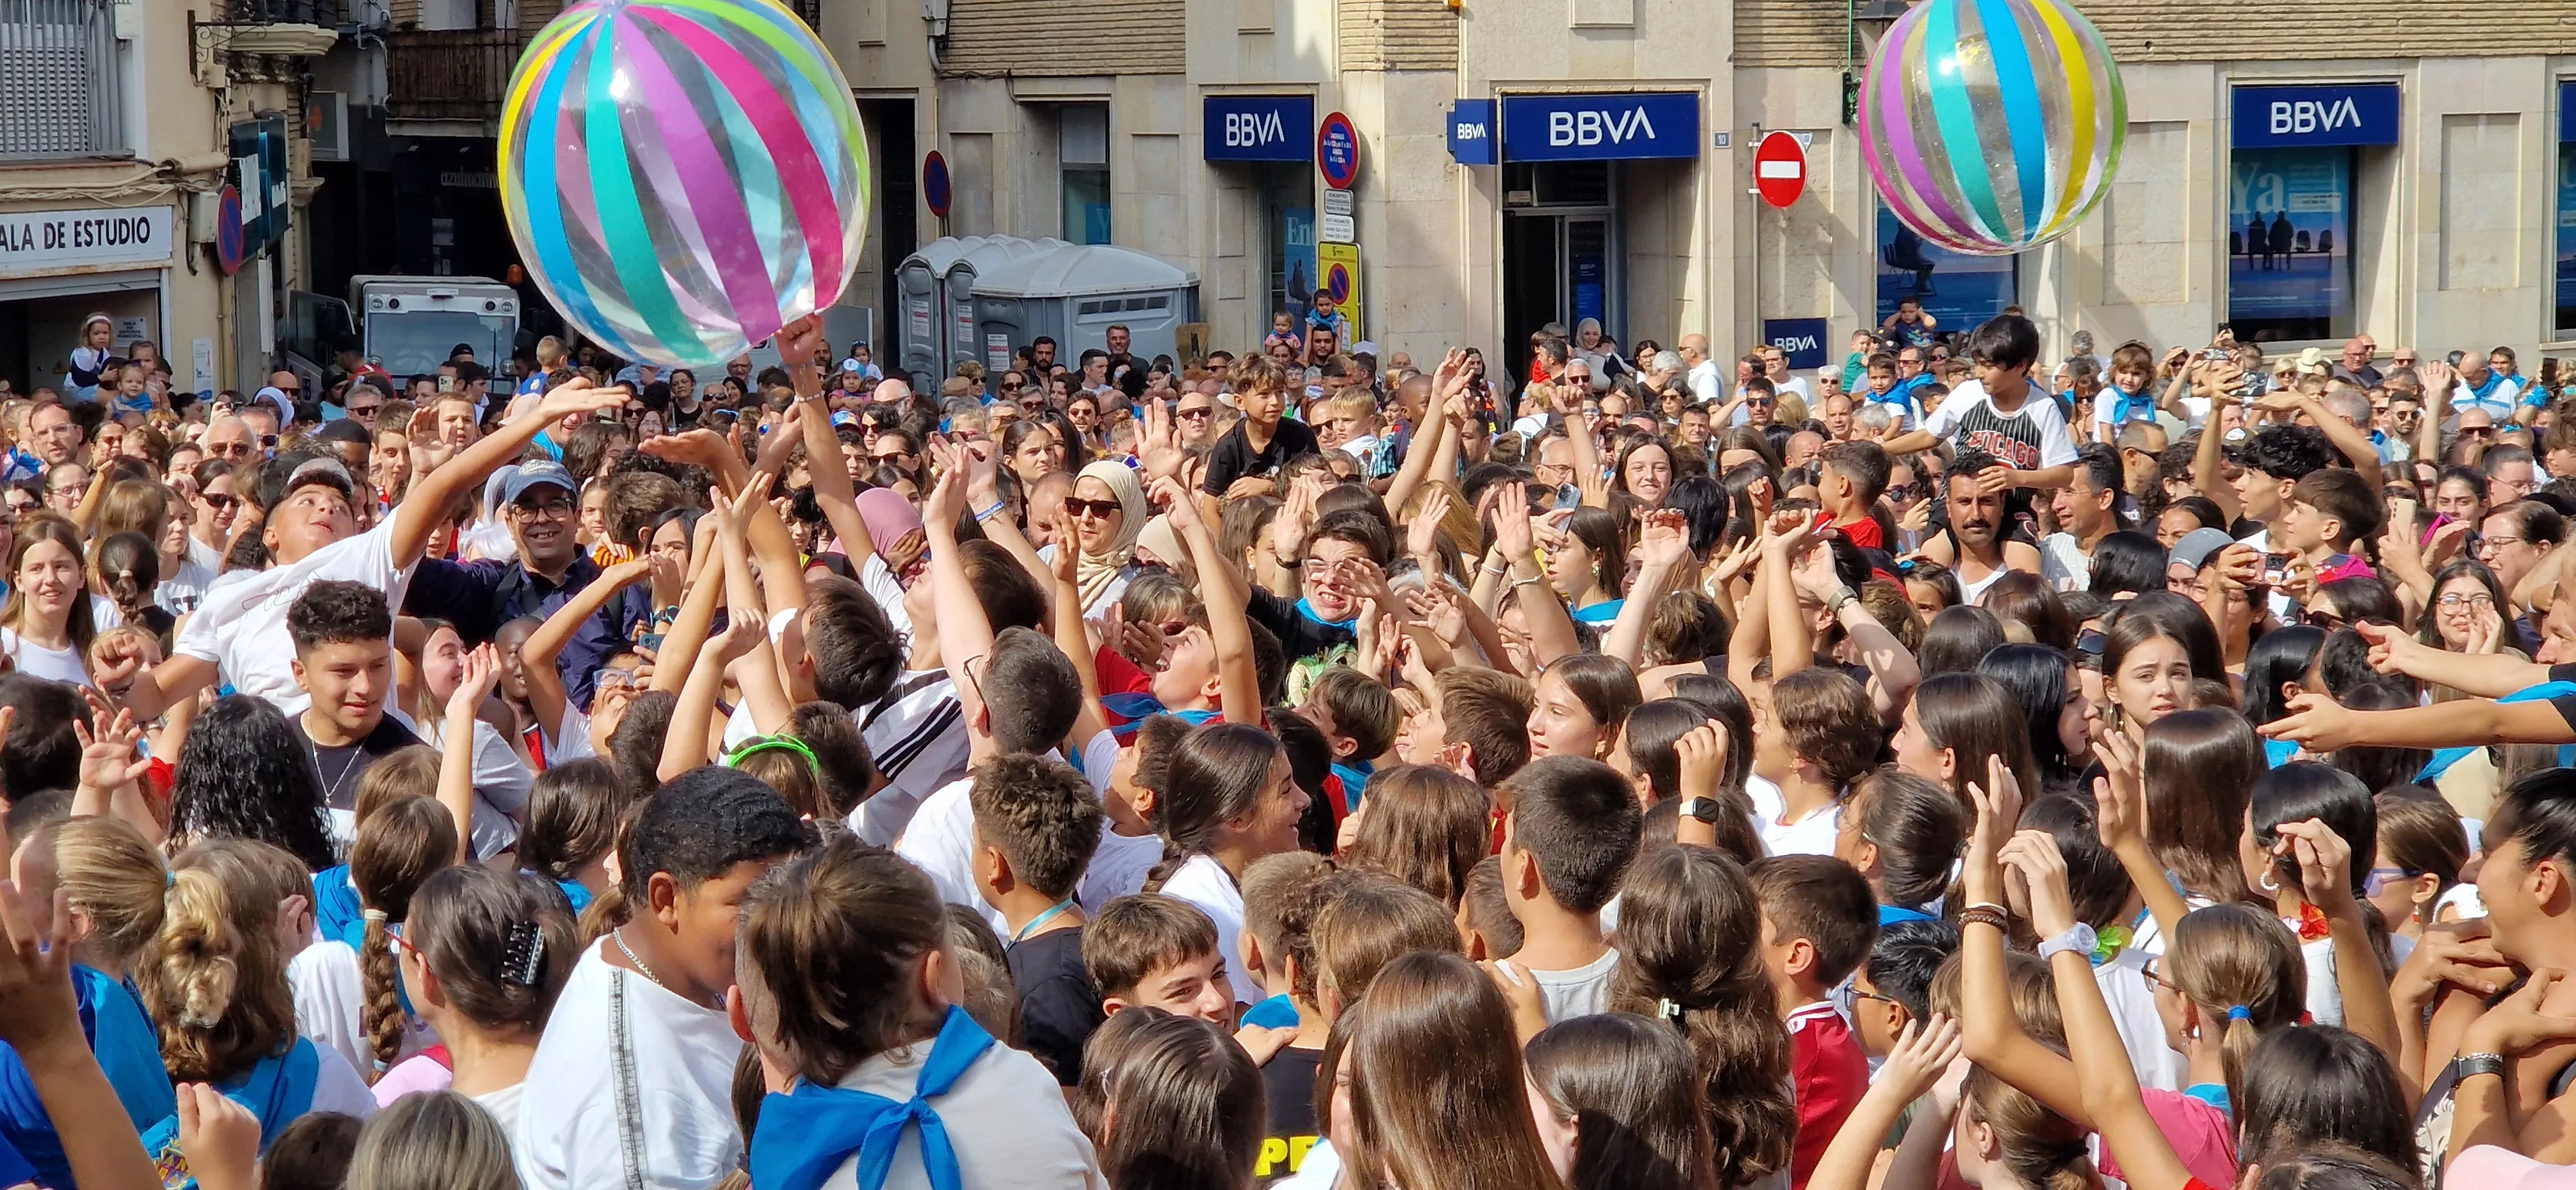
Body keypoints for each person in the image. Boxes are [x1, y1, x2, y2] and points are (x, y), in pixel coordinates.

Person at [513, 766, 813, 1190]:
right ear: (666, 899)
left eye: (787, 896)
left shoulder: (688, 971)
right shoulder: (632, 1102)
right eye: (749, 902)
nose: (780, 922)